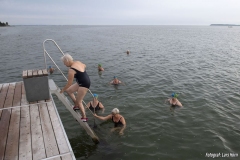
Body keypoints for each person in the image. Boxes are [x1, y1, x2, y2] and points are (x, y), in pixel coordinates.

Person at [60, 53, 90, 122]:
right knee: (69, 90)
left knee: (79, 101)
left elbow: (69, 83)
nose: (64, 64)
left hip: (84, 84)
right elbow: (84, 65)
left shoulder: (71, 70)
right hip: (82, 81)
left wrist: (62, 90)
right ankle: (76, 105)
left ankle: (84, 117)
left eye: (64, 63)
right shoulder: (78, 62)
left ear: (67, 61)